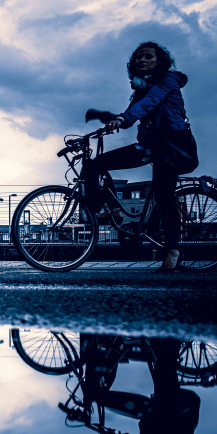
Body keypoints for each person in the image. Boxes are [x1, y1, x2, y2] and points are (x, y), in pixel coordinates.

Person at [84, 42, 197, 271]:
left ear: (160, 62)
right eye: (138, 57)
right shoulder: (141, 89)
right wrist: (106, 117)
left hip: (171, 147)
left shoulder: (168, 81)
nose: (142, 60)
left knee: (164, 196)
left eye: (148, 56)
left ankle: (172, 251)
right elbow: (130, 116)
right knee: (96, 165)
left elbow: (148, 104)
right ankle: (108, 211)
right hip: (150, 146)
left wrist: (123, 119)